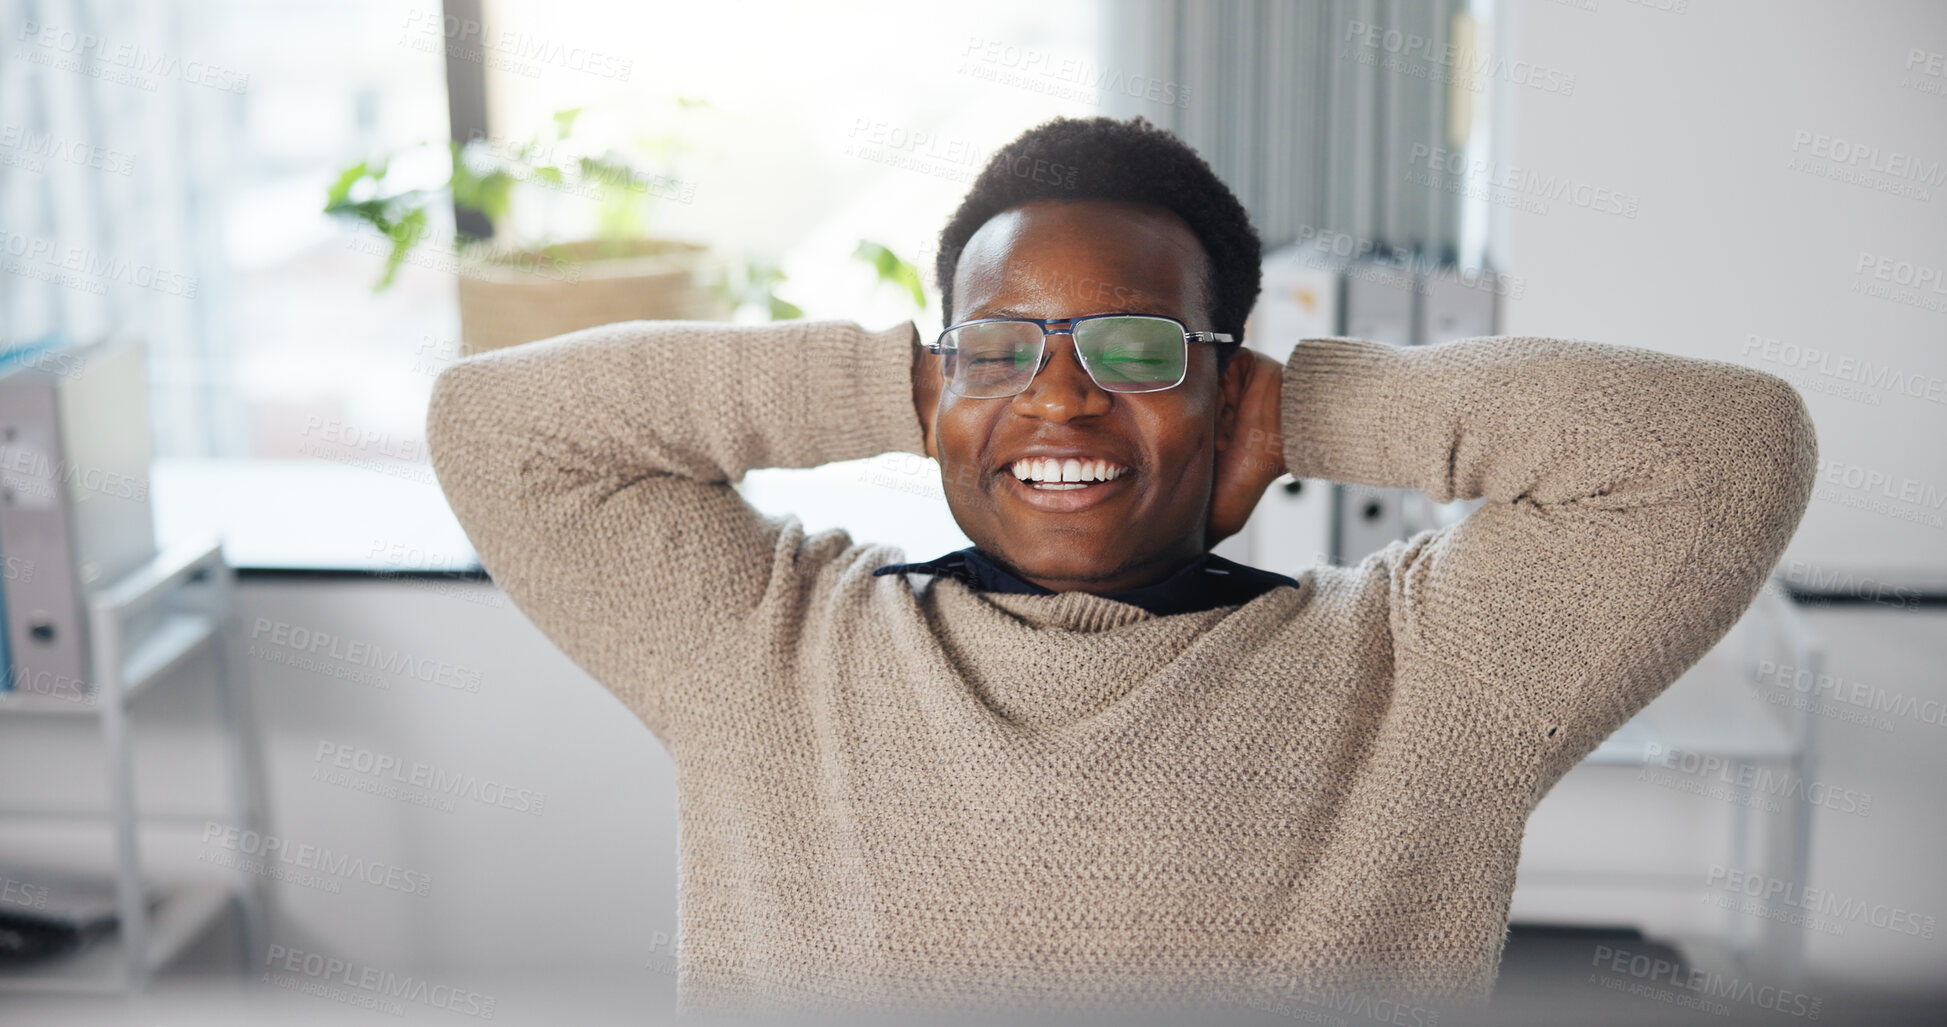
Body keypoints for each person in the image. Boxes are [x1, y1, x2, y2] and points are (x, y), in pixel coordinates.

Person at [425, 115, 1817, 1018]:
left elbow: (1726, 453)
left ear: (1230, 386)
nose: (1065, 400)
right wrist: (901, 385)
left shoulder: (1421, 679)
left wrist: (1305, 409)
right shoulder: (774, 647)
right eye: (1003, 350)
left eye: (1138, 349)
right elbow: (498, 431)